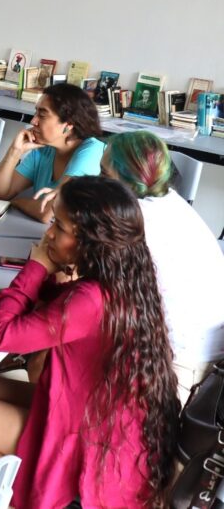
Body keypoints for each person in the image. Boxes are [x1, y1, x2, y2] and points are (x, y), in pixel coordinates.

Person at [0, 176, 179, 508]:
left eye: (60, 225)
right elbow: (54, 300)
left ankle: (19, 498)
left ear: (91, 241)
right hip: (100, 419)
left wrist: (38, 265)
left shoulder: (90, 299)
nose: (49, 233)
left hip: (90, 445)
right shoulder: (126, 279)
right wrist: (47, 273)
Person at [102, 131, 224, 401]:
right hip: (208, 359)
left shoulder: (136, 220)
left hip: (181, 371)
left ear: (126, 181)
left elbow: (95, 288)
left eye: (104, 175)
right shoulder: (173, 203)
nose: (98, 183)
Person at [0, 82, 104, 223]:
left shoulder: (91, 150)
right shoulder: (44, 149)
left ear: (69, 124)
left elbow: (49, 212)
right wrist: (14, 152)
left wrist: (15, 202)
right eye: (36, 113)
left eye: (42, 115)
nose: (33, 121)